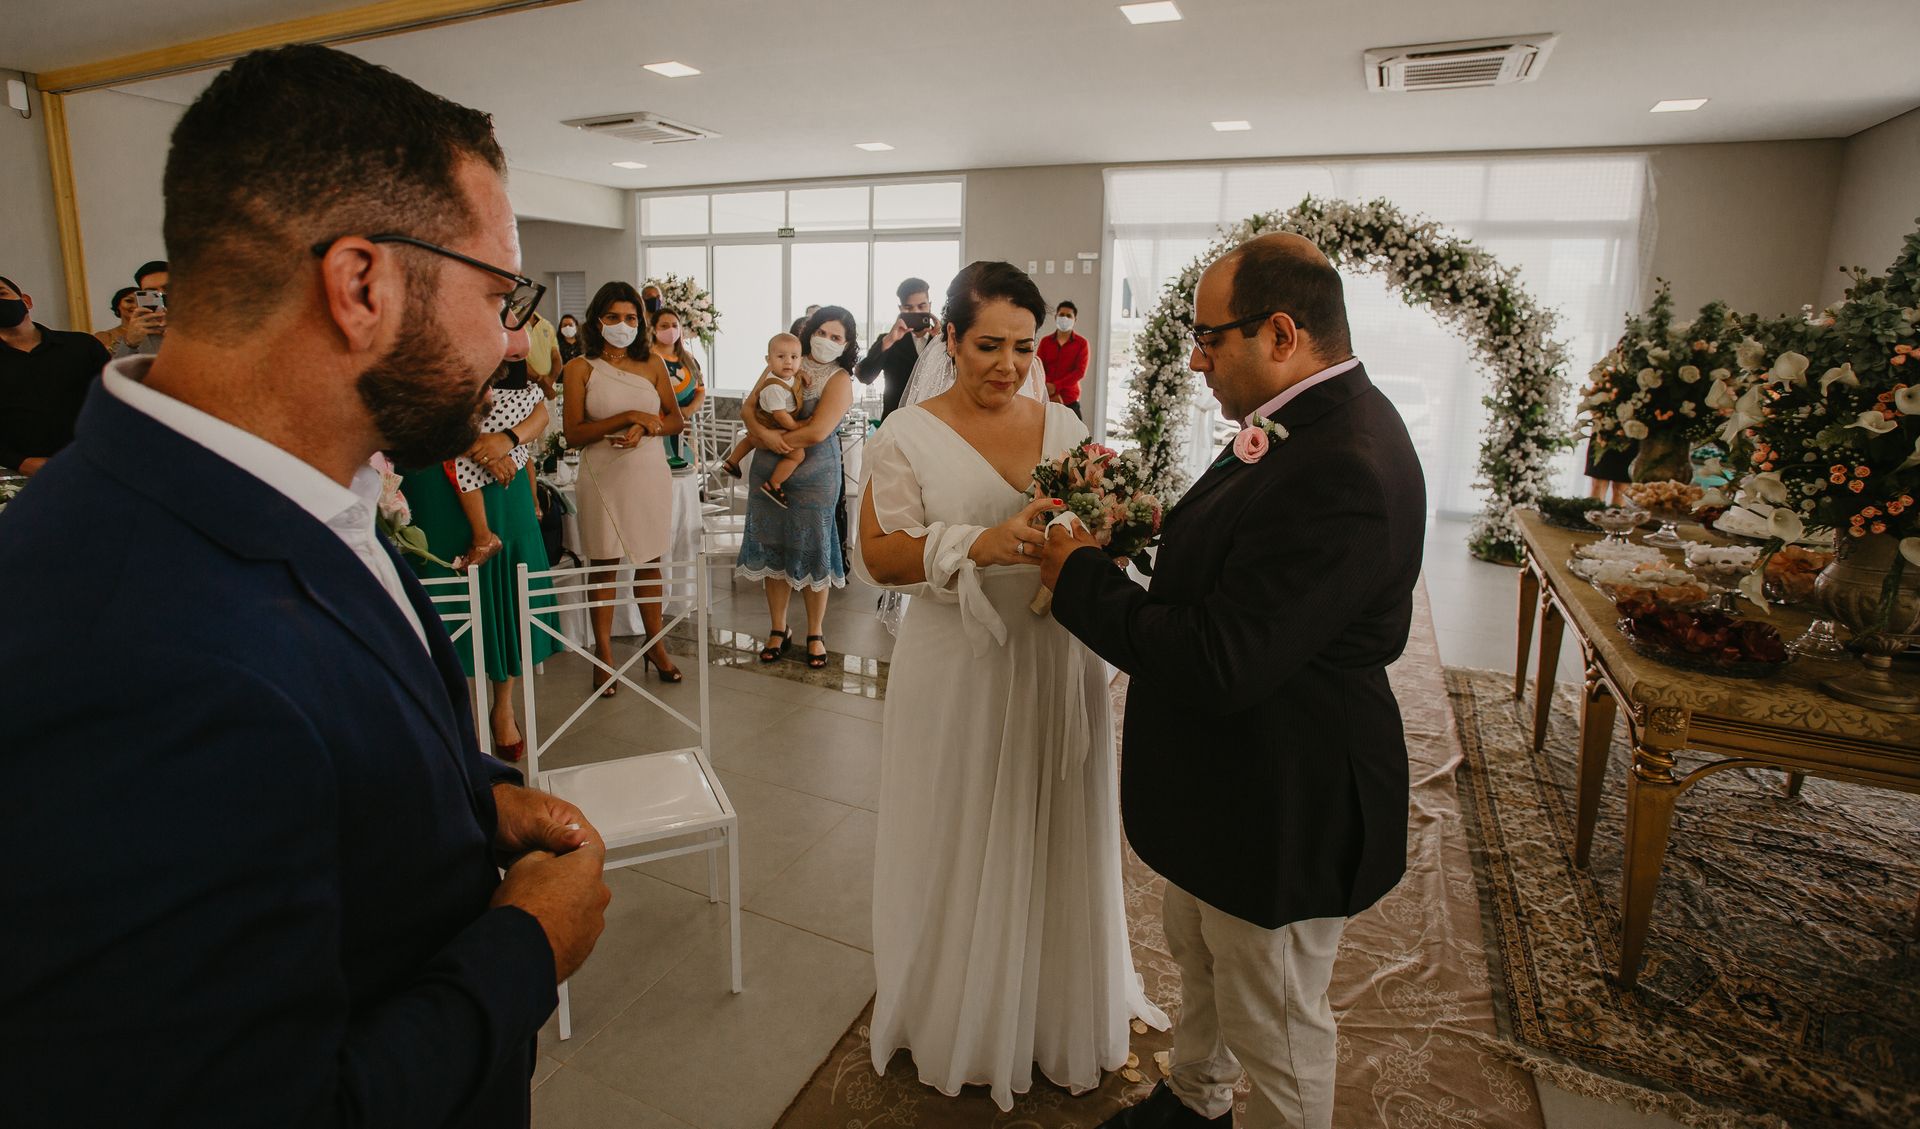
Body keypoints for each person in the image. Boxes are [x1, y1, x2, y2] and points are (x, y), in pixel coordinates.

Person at [0, 45, 610, 1127]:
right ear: (362, 283)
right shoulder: (129, 642)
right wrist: (528, 944)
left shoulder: (308, 489)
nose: (512, 337)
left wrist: (469, 794)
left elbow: (323, 732)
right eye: (498, 291)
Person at [1039, 233, 1426, 1129]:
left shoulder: (1340, 463)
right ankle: (1195, 1096)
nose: (1197, 356)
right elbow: (1238, 564)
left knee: (1277, 1015)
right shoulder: (1309, 420)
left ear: (1281, 333)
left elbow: (1221, 658)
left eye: (1211, 337)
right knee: (1203, 955)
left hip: (1287, 790)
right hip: (1234, 779)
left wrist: (1082, 576)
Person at [852, 261, 1167, 1109]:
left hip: (1060, 654)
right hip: (962, 666)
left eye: (1023, 346)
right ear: (948, 338)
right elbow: (877, 556)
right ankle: (962, 1009)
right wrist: (977, 544)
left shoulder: (1064, 425)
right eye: (988, 344)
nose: (1007, 363)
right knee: (960, 823)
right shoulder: (904, 437)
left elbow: (1097, 528)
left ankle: (1049, 1006)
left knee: (1054, 819)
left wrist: (1111, 536)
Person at [401, 360, 562, 763]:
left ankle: (503, 703)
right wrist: (476, 447)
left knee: (507, 577)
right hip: (435, 465)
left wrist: (506, 441)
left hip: (505, 466)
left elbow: (539, 407)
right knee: (444, 583)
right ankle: (449, 707)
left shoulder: (501, 329)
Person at [563, 281, 686, 692]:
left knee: (650, 561)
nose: (622, 325)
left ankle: (656, 645)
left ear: (641, 322)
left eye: (631, 318)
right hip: (602, 474)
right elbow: (574, 434)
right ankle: (604, 654)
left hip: (648, 471)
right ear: (597, 321)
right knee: (605, 564)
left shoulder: (652, 363)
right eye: (613, 317)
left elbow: (674, 420)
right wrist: (627, 416)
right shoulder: (579, 368)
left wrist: (643, 429)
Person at [737, 305, 853, 669]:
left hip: (815, 473)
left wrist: (771, 437)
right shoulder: (785, 362)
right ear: (809, 332)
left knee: (815, 547)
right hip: (769, 468)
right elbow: (747, 407)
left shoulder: (840, 379)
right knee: (773, 546)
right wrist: (763, 435)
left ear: (847, 344)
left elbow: (819, 430)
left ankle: (815, 632)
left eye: (837, 337)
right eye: (822, 333)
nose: (827, 341)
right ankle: (777, 628)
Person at [0, 273, 111, 475]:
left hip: (94, 461)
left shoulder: (82, 346)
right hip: (21, 471)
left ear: (26, 300)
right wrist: (20, 462)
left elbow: (111, 402)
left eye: (2, 294)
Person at [722, 332, 803, 484]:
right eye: (781, 357)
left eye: (793, 357)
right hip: (775, 422)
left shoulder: (790, 374)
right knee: (797, 456)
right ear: (768, 360)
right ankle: (774, 484)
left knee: (751, 439)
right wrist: (796, 426)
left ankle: (732, 461)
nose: (788, 362)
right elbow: (778, 415)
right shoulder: (775, 385)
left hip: (765, 419)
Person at [856, 277, 938, 418]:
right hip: (896, 422)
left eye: (922, 306)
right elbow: (865, 376)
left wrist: (943, 341)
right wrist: (889, 340)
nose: (916, 312)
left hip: (934, 420)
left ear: (930, 305)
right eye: (909, 308)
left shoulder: (943, 340)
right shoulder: (888, 340)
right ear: (901, 309)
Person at [649, 305, 705, 471]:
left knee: (687, 469)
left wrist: (689, 410)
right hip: (660, 423)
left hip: (687, 424)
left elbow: (701, 390)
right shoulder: (648, 359)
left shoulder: (689, 359)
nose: (671, 330)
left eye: (674, 325)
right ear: (654, 330)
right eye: (664, 326)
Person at [108, 260, 172, 358]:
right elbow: (117, 372)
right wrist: (130, 343)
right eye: (152, 293)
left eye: (168, 288)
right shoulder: (141, 332)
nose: (161, 295)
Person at [1037, 299, 1089, 418]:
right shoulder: (1045, 342)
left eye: (1068, 316)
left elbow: (1079, 372)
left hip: (1070, 399)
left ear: (1074, 320)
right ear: (1056, 317)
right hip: (1047, 399)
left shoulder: (1082, 343)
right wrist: (1049, 389)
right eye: (1061, 315)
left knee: (1077, 436)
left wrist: (1055, 387)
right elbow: (1039, 366)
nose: (1064, 318)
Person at [523, 308, 563, 399]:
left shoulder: (546, 325)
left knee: (551, 413)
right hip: (525, 388)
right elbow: (518, 361)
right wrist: (541, 381)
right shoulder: (513, 324)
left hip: (549, 384)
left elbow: (556, 356)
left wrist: (550, 380)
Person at [93, 286, 145, 352]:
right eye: (129, 301)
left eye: (140, 302)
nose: (135, 306)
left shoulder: (157, 334)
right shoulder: (105, 337)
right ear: (117, 305)